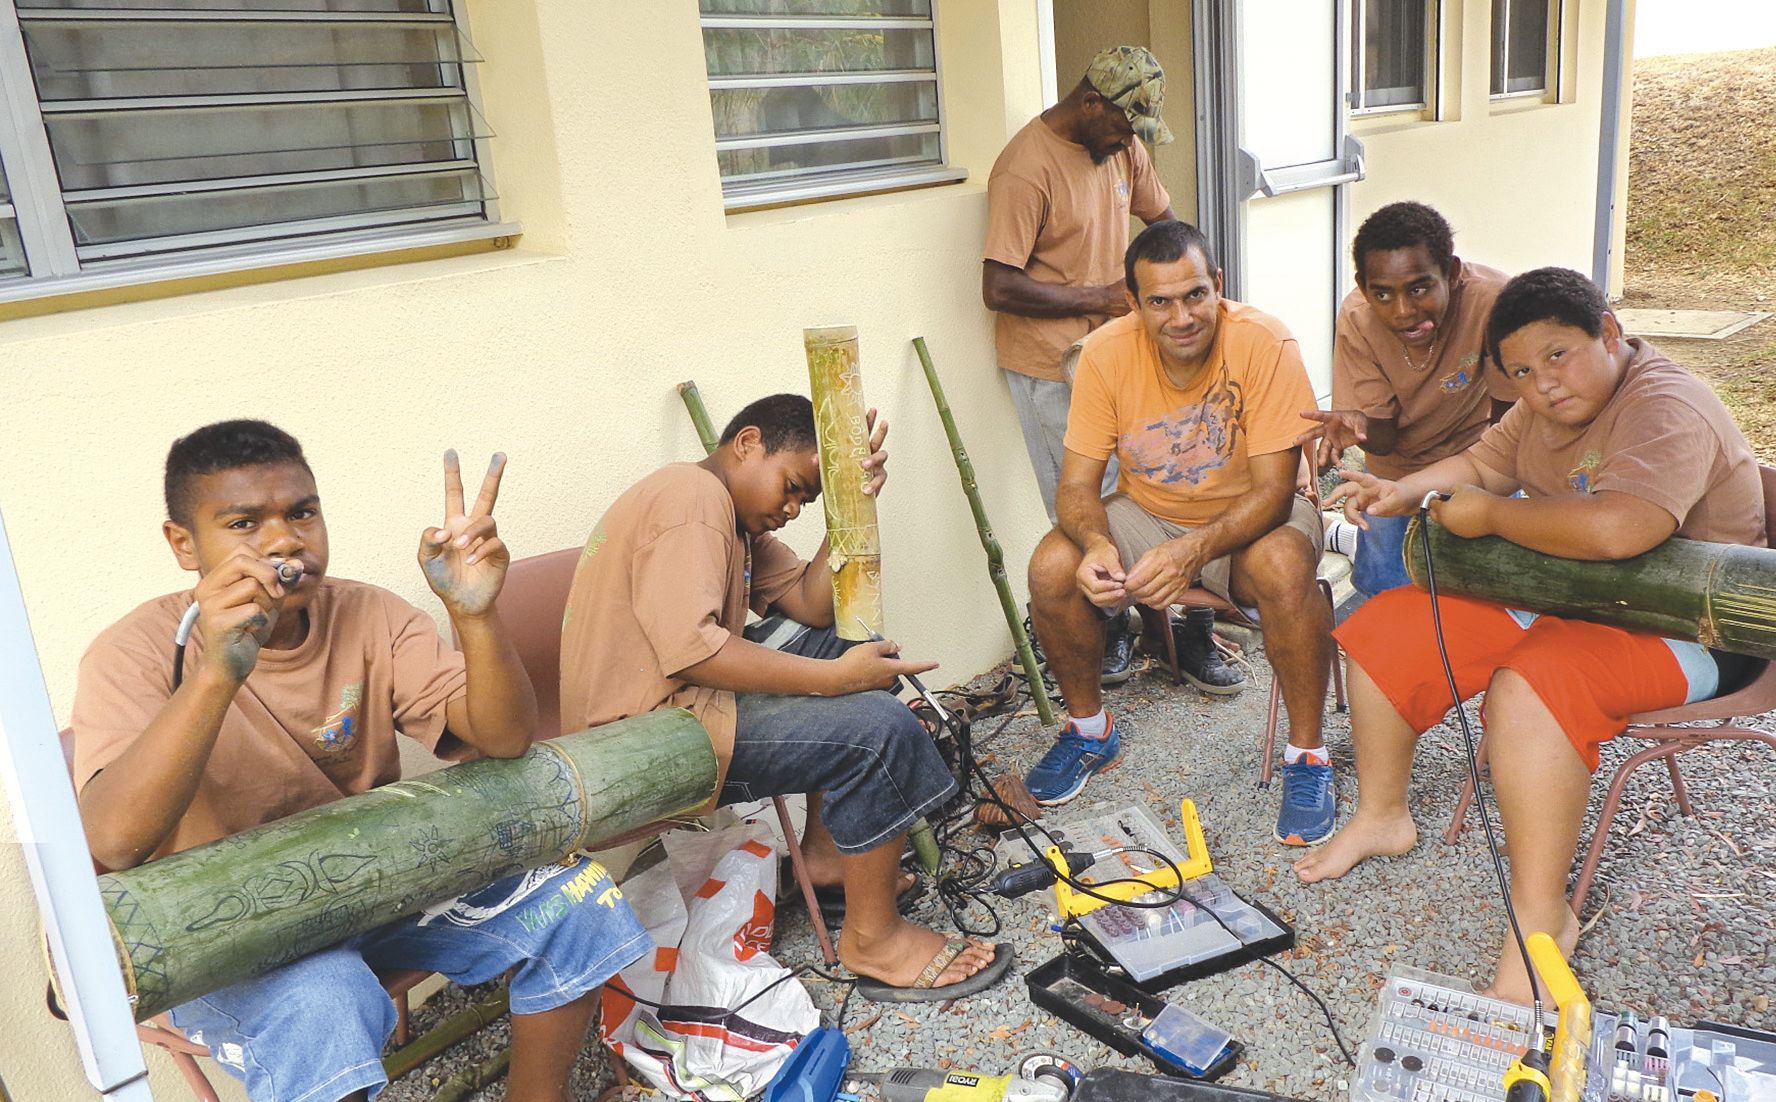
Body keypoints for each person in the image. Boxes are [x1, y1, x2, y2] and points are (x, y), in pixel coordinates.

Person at [70, 420, 649, 1102]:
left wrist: (473, 617)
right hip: (224, 935)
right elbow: (113, 840)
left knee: (573, 900)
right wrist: (217, 673)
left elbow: (504, 738)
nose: (285, 540)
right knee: (328, 997)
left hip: (371, 888)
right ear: (183, 544)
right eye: (244, 523)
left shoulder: (370, 614)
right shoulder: (132, 652)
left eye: (302, 513)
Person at [1295, 268, 1766, 1002]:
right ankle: (1382, 815)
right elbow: (1484, 461)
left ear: (1608, 334)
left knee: (1533, 688)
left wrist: (1489, 516)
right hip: (1571, 595)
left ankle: (1543, 917)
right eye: (1519, 370)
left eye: (1558, 355)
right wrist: (1407, 489)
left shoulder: (1666, 404)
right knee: (1388, 624)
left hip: (1691, 626)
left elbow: (1622, 527)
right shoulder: (1540, 407)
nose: (1542, 383)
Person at [559, 395, 1010, 1002]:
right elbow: (692, 651)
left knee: (848, 643)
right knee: (877, 727)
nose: (794, 509)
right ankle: (872, 941)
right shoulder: (690, 498)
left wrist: (853, 508)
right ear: (747, 443)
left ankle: (825, 859)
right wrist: (838, 682)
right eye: (793, 487)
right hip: (641, 742)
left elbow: (812, 606)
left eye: (807, 501)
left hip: (685, 709)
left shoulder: (730, 514)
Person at [1021, 219, 1338, 848]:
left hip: (1253, 518)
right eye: (1159, 301)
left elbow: (1275, 494)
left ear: (1218, 286)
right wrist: (1100, 546)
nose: (1182, 316)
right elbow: (1077, 487)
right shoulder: (1106, 353)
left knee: (1281, 567)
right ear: (1133, 304)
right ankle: (1089, 731)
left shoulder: (1265, 341)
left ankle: (1308, 756)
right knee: (1052, 567)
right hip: (1152, 510)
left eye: (1195, 295)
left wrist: (1190, 549)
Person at [985, 45, 1179, 684]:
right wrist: (1098, 297)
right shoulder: (1026, 167)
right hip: (1051, 368)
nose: (1130, 143)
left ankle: (1162, 624)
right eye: (1123, 127)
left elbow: (1162, 222)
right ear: (1091, 102)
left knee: (1139, 488)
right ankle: (1110, 629)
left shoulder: (1123, 145)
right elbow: (999, 286)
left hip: (1118, 355)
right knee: (1080, 503)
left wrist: (1171, 284)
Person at [1299, 201, 1516, 600]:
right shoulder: (1357, 319)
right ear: (1364, 287)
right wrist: (1360, 429)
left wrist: (1477, 491)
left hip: (1480, 465)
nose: (1403, 312)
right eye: (1382, 294)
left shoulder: (1494, 302)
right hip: (1393, 473)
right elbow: (1381, 441)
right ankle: (1350, 541)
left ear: (1450, 273)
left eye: (1419, 289)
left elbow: (1507, 428)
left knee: (1486, 595)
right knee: (1388, 595)